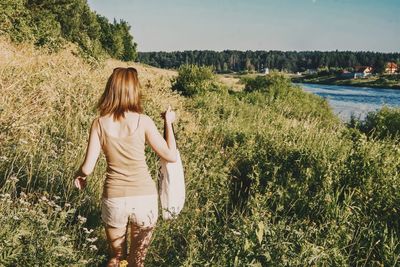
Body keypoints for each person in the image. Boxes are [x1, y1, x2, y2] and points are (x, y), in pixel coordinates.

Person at [74, 67, 177, 267]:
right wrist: (168, 123)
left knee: (116, 257)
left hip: (114, 198)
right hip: (144, 198)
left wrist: (80, 175)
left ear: (110, 89)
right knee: (136, 261)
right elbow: (170, 155)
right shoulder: (143, 121)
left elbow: (87, 168)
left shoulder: (99, 123)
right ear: (134, 90)